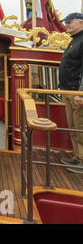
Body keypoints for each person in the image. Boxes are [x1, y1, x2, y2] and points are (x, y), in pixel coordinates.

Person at [58, 12, 83, 174]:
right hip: (68, 91)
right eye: (65, 23)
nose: (66, 25)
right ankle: (77, 157)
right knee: (73, 126)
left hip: (77, 93)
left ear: (81, 22)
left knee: (80, 126)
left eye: (69, 22)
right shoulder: (75, 41)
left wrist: (81, 93)